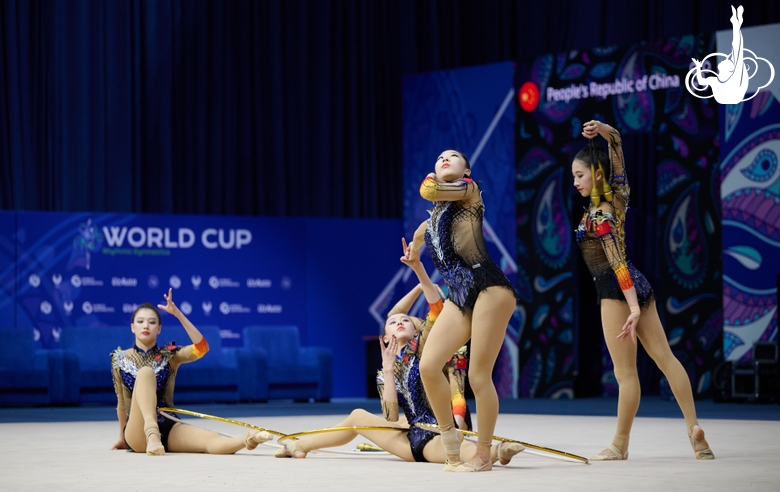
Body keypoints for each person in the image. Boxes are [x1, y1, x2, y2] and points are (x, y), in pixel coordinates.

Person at [274, 252, 521, 467]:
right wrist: (389, 371)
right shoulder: (386, 371)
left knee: (456, 446)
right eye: (393, 322)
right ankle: (302, 445)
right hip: (409, 438)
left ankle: (496, 452)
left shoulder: (425, 350)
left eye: (405, 321)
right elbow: (390, 418)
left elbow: (436, 309)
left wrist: (418, 271)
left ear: (417, 330)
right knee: (358, 416)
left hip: (439, 433)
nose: (399, 322)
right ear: (386, 333)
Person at [571, 119, 714, 461]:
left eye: (580, 175)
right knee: (666, 358)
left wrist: (632, 308)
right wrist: (605, 129)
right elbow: (617, 144)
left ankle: (620, 445)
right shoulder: (619, 197)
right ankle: (694, 430)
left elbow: (617, 264)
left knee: (626, 374)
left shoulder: (598, 217)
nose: (575, 181)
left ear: (597, 174)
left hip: (616, 289)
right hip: (640, 282)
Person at [407, 151, 518, 472]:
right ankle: (450, 443)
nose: (444, 159)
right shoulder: (434, 218)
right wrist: (414, 252)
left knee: (478, 376)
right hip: (460, 295)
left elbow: (428, 191)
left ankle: (483, 455)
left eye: (453, 157)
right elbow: (420, 233)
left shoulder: (469, 190)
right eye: (439, 157)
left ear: (466, 170)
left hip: (488, 287)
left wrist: (433, 179)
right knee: (428, 366)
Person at [110, 289, 271, 455]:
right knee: (145, 373)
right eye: (140, 321)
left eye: (152, 322)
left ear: (159, 328)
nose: (145, 325)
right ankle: (152, 434)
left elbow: (202, 348)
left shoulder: (170, 354)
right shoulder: (120, 358)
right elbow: (122, 404)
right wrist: (122, 437)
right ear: (132, 327)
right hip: (138, 432)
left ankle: (247, 439)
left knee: (210, 438)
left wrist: (178, 314)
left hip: (168, 426)